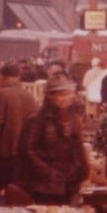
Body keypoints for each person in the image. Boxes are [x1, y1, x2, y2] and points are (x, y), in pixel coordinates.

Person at [16, 75, 90, 205]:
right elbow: (27, 150)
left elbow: (77, 146)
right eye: (60, 94)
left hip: (69, 182)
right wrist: (48, 172)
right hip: (45, 184)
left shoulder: (73, 117)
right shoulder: (37, 118)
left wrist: (82, 171)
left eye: (67, 94)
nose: (64, 98)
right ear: (50, 96)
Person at [0, 63, 36, 202]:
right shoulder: (29, 96)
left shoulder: (1, 95)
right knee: (15, 193)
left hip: (2, 152)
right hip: (22, 153)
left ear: (2, 77)